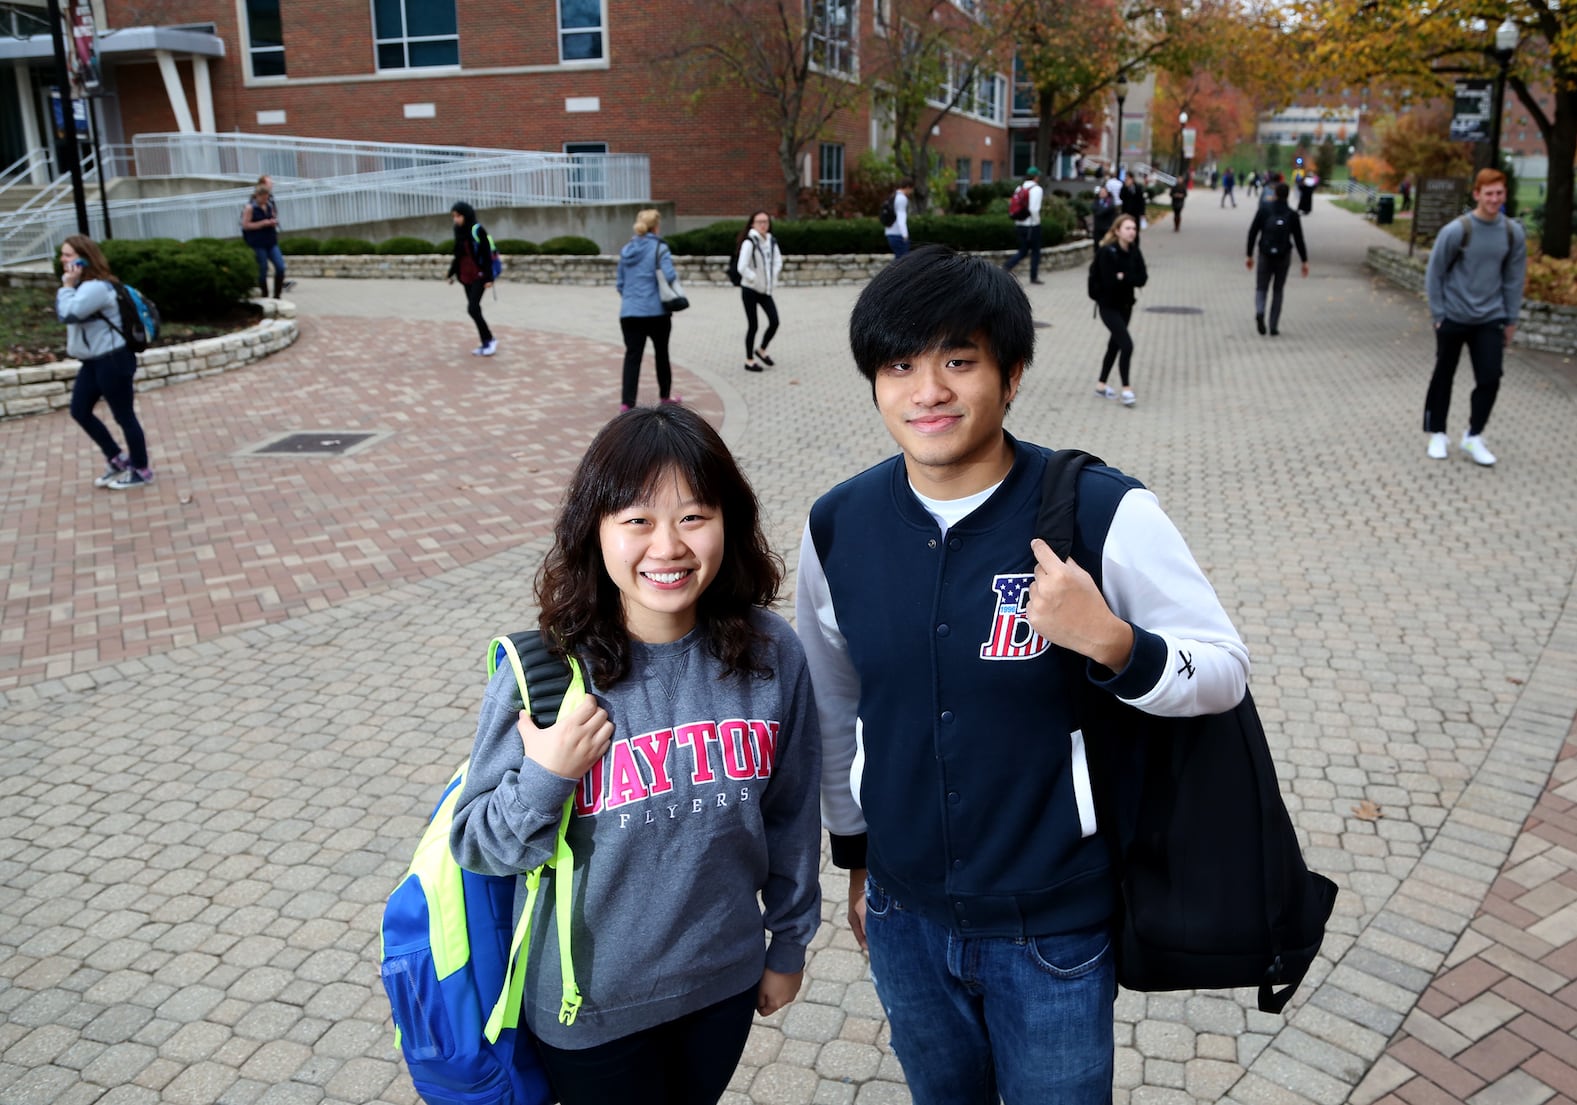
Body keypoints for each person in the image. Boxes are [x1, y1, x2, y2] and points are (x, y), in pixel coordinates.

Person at [794, 244, 1249, 1105]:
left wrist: (1114, 641)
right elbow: (835, 701)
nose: (928, 390)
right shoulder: (838, 525)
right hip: (902, 916)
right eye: (900, 365)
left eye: (959, 361)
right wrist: (854, 856)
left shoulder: (1102, 511)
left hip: (1054, 930)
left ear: (1013, 374)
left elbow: (1223, 668)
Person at [451, 404, 821, 1105]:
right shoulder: (546, 674)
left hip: (723, 983)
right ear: (595, 531)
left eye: (692, 516)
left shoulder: (773, 654)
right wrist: (545, 777)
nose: (668, 546)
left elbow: (793, 814)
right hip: (590, 1013)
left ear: (728, 523)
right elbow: (478, 844)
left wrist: (789, 943)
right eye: (636, 520)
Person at [1422, 168, 1527, 466]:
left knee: (1491, 377)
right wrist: (1439, 314)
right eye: (1489, 193)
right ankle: (1438, 433)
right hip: (1453, 317)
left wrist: (1511, 320)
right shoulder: (1457, 230)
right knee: (1444, 376)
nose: (1494, 199)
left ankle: (1474, 435)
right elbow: (1435, 273)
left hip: (1490, 319)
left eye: (1499, 193)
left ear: (1504, 195)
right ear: (1477, 194)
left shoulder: (1512, 233)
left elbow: (1513, 279)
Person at [56, 235, 153, 490]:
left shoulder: (96, 287)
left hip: (113, 359)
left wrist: (66, 285)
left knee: (124, 416)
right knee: (79, 410)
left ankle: (141, 469)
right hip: (93, 361)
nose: (62, 260)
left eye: (67, 255)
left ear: (83, 258)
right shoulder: (83, 286)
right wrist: (70, 286)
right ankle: (117, 458)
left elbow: (68, 314)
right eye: (63, 255)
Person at [615, 208, 680, 412]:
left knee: (632, 357)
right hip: (657, 312)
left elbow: (620, 284)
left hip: (630, 313)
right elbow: (669, 276)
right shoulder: (660, 248)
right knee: (662, 354)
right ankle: (665, 397)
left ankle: (627, 403)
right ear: (656, 227)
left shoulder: (626, 250)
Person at [1089, 214, 1147, 406]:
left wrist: (1124, 277)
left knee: (1115, 345)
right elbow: (1109, 283)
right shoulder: (1107, 252)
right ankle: (1127, 389)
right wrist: (1123, 278)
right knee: (1127, 345)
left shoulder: (1134, 252)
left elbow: (1142, 278)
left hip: (1126, 306)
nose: (1132, 232)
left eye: (1134, 228)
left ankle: (1101, 385)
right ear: (1117, 231)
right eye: (1128, 228)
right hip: (1108, 307)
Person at [1245, 181, 1309, 337]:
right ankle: (1273, 326)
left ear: (1275, 194)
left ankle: (1260, 312)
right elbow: (1299, 239)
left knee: (1261, 287)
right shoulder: (1292, 215)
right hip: (1283, 256)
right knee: (1278, 290)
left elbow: (1253, 232)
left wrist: (1249, 255)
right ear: (1288, 195)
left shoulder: (1264, 210)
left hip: (1265, 254)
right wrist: (1304, 260)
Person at [445, 201, 497, 357]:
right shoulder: (458, 230)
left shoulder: (477, 229)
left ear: (466, 215)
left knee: (472, 308)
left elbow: (487, 255)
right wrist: (451, 273)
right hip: (465, 276)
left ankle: (490, 340)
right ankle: (486, 342)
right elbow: (458, 254)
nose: (456, 219)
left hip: (479, 276)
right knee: (475, 309)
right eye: (454, 216)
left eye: (458, 216)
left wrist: (489, 278)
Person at [736, 211, 783, 373]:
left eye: (766, 222)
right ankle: (749, 361)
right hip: (750, 289)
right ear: (753, 224)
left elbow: (778, 261)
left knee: (775, 321)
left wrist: (772, 277)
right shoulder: (749, 242)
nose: (763, 225)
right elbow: (741, 267)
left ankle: (761, 349)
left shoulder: (771, 241)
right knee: (753, 325)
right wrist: (754, 278)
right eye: (760, 222)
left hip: (765, 290)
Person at [241, 183, 289, 298]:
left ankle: (277, 295)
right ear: (257, 196)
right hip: (258, 242)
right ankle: (265, 295)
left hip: (271, 241)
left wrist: (273, 222)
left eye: (267, 196)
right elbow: (245, 225)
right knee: (262, 269)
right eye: (263, 197)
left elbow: (272, 217)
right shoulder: (250, 208)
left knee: (280, 267)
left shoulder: (269, 205)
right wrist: (262, 223)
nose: (265, 199)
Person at [1001, 167, 1046, 285]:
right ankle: (1033, 276)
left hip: (1019, 224)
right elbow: (1034, 209)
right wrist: (1037, 222)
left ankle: (1007, 266)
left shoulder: (1019, 187)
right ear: (1036, 177)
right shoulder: (1037, 189)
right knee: (1035, 251)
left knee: (1023, 250)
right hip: (1032, 225)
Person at [885, 180, 913, 259]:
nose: (911, 192)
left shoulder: (893, 196)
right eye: (911, 189)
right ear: (907, 187)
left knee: (898, 260)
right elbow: (901, 217)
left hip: (889, 232)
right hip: (898, 234)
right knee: (904, 261)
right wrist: (905, 235)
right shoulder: (902, 199)